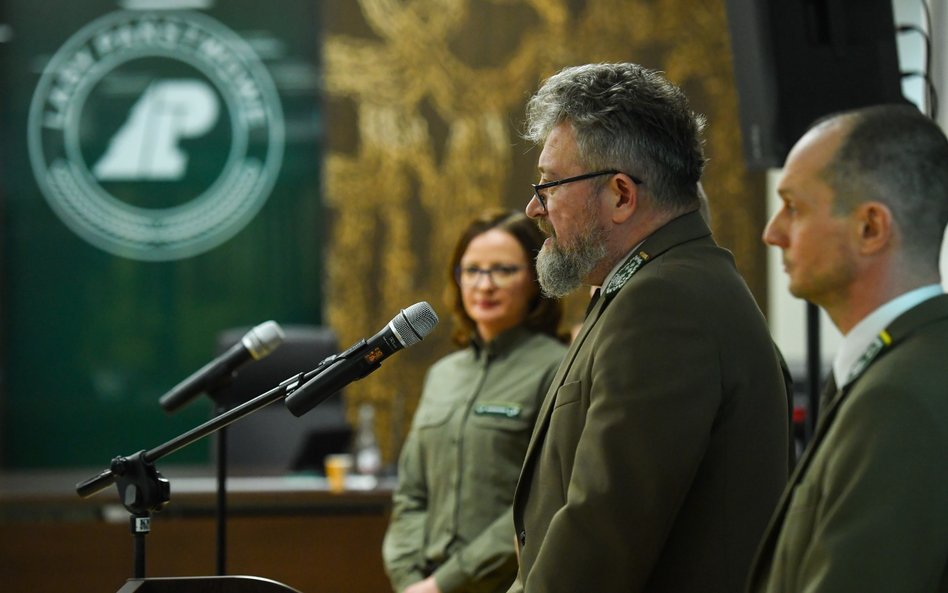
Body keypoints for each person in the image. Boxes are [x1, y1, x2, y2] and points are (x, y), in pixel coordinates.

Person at [508, 62, 792, 593]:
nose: (534, 208)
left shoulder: (664, 303)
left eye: (549, 185)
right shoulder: (657, 284)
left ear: (620, 194)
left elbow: (600, 537)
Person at [747, 105, 948, 592]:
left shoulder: (898, 397)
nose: (772, 233)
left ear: (870, 228)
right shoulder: (903, 364)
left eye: (794, 207)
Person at [383, 209, 569, 593]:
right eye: (472, 271)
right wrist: (408, 580)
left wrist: (445, 584)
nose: (484, 285)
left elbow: (544, 500)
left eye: (503, 270)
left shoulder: (558, 368)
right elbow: (412, 494)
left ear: (535, 280)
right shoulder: (443, 375)